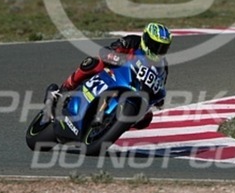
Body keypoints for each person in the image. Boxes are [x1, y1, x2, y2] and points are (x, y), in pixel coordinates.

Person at [41, 22, 172, 129]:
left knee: (147, 119)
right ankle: (63, 90)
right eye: (155, 45)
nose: (158, 50)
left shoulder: (163, 66)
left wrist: (159, 99)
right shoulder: (131, 41)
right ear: (145, 39)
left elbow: (159, 86)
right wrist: (118, 58)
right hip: (114, 74)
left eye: (162, 47)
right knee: (93, 62)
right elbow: (106, 51)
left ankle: (114, 126)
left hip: (135, 92)